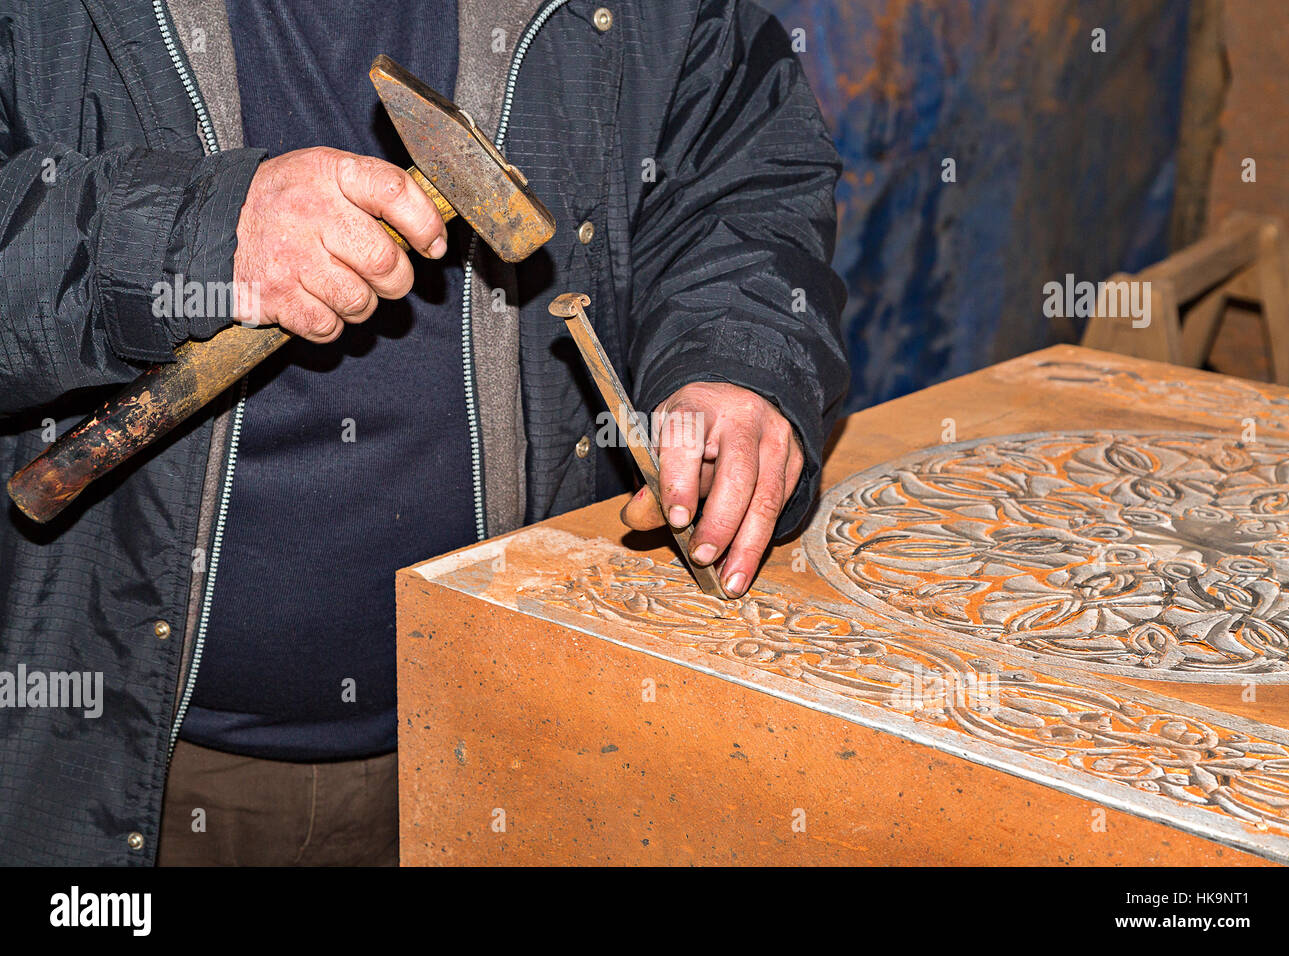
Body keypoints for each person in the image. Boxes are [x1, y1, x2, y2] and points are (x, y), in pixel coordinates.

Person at [0, 0, 848, 865]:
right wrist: (181, 236)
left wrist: (736, 360)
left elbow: (740, 178)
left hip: (525, 734)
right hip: (126, 767)